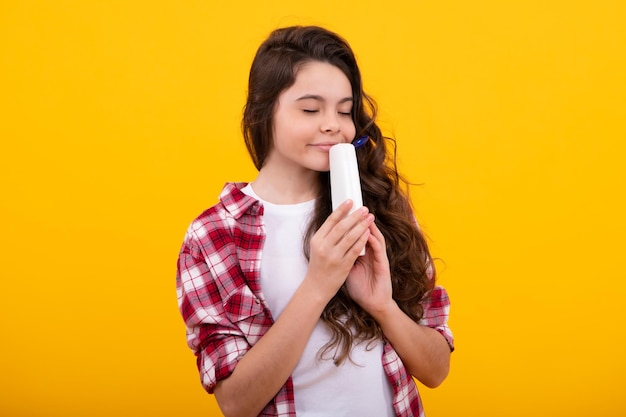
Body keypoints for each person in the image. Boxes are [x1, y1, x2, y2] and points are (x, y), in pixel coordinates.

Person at [176, 25, 454, 417]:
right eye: (310, 109)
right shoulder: (213, 235)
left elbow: (436, 369)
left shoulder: (382, 208)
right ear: (263, 111)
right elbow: (236, 403)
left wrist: (383, 307)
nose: (332, 125)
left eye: (344, 110)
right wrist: (318, 284)